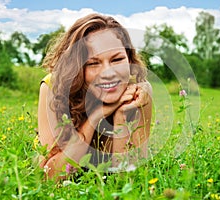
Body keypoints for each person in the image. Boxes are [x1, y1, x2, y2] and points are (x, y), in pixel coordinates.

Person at [38, 13, 152, 180]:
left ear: (129, 59)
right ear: (76, 67)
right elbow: (50, 176)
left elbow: (129, 178)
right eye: (93, 63)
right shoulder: (53, 88)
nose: (108, 73)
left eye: (117, 59)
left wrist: (120, 115)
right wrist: (95, 117)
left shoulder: (139, 93)